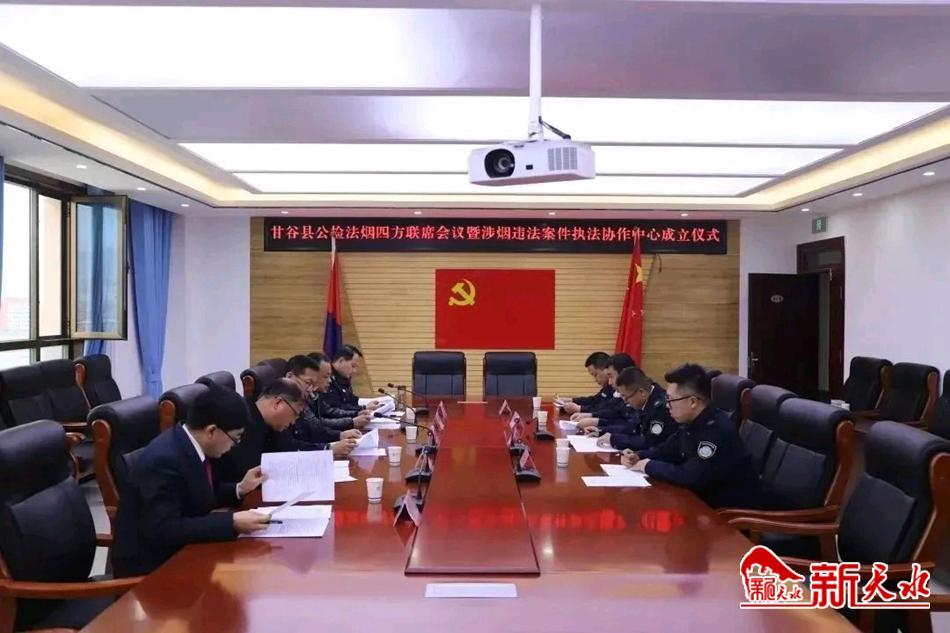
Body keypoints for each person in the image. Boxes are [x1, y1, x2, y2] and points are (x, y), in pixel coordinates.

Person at [113, 385, 270, 577]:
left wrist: (239, 488)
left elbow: (195, 496)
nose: (234, 446)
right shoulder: (165, 460)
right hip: (153, 569)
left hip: (180, 551)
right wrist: (232, 522)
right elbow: (163, 529)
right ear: (211, 431)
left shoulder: (186, 444)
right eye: (235, 438)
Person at [620, 363, 763, 509]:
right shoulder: (691, 422)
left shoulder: (715, 431)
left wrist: (648, 465)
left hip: (727, 512)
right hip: (701, 502)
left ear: (693, 401)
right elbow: (667, 449)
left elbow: (689, 476)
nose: (667, 405)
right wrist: (639, 456)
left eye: (671, 400)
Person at [216, 378, 321, 482]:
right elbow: (249, 472)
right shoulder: (242, 423)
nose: (293, 422)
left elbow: (290, 448)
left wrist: (325, 449)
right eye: (295, 414)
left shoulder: (271, 424)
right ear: (278, 403)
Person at [283, 354, 362, 456]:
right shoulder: (283, 404)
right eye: (308, 382)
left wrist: (338, 437)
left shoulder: (302, 398)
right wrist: (329, 448)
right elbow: (290, 446)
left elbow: (311, 429)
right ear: (289, 376)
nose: (311, 389)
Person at [590, 366, 676, 450]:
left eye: (626, 397)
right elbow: (632, 428)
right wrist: (603, 431)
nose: (625, 401)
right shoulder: (644, 401)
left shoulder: (661, 408)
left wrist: (615, 439)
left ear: (641, 392)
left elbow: (650, 442)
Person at [572, 353, 636, 429]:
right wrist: (595, 419)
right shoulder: (617, 391)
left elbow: (631, 427)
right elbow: (610, 410)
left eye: (611, 376)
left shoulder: (636, 395)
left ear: (624, 373)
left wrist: (597, 421)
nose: (610, 382)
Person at [324, 344, 380, 415]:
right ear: (341, 361)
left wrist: (368, 404)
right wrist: (363, 408)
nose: (354, 371)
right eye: (353, 366)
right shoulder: (326, 378)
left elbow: (351, 399)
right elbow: (337, 407)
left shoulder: (343, 378)